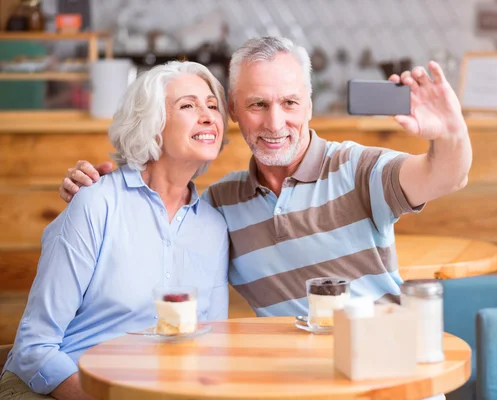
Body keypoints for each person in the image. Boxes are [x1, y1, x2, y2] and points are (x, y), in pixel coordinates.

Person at [59, 37, 472, 317]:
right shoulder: (219, 206)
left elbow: (444, 176)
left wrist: (449, 134)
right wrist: (94, 188)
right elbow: (153, 228)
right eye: (258, 104)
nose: (276, 123)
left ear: (308, 105)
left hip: (384, 377)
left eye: (289, 103)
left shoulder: (357, 168)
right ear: (234, 111)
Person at [0, 61, 230, 400]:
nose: (209, 115)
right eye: (188, 105)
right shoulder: (96, 203)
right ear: (152, 125)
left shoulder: (213, 226)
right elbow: (35, 348)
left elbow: (212, 343)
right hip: (57, 388)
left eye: (212, 105)